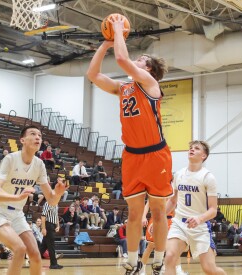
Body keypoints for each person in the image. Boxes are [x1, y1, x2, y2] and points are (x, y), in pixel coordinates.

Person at [87, 14, 172, 274]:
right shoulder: (124, 88)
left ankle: (158, 259)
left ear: (148, 70)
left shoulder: (150, 83)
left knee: (158, 212)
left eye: (142, 60)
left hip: (156, 154)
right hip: (132, 156)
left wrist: (118, 30)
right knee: (134, 215)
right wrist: (106, 44)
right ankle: (133, 262)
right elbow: (93, 74)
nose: (137, 60)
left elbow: (123, 60)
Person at [0, 126, 66, 275]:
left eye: (40, 135)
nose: (38, 138)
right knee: (20, 249)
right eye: (33, 134)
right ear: (22, 140)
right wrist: (18, 197)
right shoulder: (10, 159)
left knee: (35, 256)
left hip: (17, 214)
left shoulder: (40, 164)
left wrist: (58, 193)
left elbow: (51, 200)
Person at [164, 140, 226, 275]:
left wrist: (199, 219)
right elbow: (172, 201)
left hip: (200, 226)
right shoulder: (178, 174)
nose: (192, 150)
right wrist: (160, 215)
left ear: (203, 155)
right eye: (191, 148)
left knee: (209, 269)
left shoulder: (208, 177)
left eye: (196, 148)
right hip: (179, 223)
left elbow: (213, 210)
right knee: (169, 257)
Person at [40, 201, 63, 269]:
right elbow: (43, 216)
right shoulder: (48, 203)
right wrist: (43, 228)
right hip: (48, 225)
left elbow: (56, 215)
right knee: (51, 245)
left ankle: (33, 260)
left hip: (52, 225)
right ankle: (53, 264)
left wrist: (58, 225)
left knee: (43, 246)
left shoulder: (56, 203)